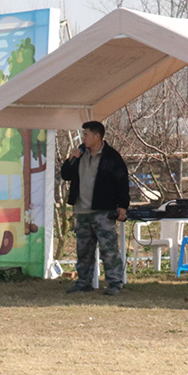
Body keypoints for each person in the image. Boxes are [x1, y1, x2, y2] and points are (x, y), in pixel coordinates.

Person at [60, 120, 130, 295]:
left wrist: (122, 206)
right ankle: (84, 282)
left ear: (97, 136)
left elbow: (122, 183)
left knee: (109, 249)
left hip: (103, 211)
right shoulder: (80, 154)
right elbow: (65, 175)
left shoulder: (111, 157)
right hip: (81, 210)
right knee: (84, 250)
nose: (83, 138)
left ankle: (114, 283)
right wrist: (71, 159)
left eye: (86, 134)